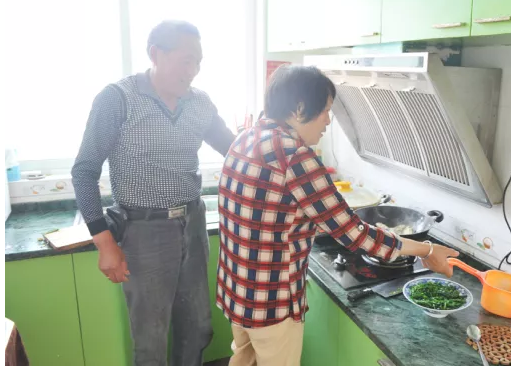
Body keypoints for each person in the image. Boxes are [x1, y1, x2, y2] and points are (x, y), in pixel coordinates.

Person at [216, 65, 459, 366]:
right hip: (271, 303)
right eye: (325, 111)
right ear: (299, 108)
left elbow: (269, 214)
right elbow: (355, 234)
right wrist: (428, 250)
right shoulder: (295, 156)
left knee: (244, 358)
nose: (328, 121)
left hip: (237, 290)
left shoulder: (245, 139)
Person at [71, 20, 236, 366]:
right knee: (151, 339)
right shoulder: (118, 99)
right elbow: (84, 171)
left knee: (198, 328)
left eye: (198, 62)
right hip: (144, 230)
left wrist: (273, 144)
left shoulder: (200, 103)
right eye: (186, 60)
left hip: (193, 223)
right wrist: (105, 244)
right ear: (155, 54)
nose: (193, 71)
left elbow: (234, 151)